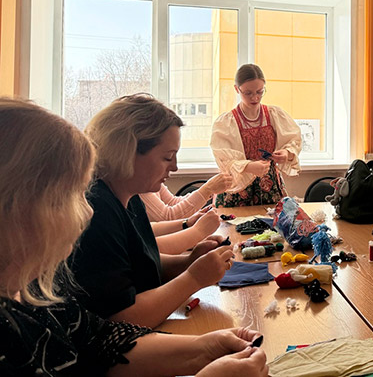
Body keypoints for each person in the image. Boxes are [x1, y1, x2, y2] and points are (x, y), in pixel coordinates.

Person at [0, 98, 268, 376]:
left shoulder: (36, 295)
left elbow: (102, 341)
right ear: (15, 208)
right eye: (69, 196)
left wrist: (205, 348)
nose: (88, 210)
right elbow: (120, 317)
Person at [70, 94, 234, 328]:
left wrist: (189, 261)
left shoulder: (130, 197)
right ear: (127, 152)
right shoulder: (96, 211)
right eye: (167, 157)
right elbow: (123, 318)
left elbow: (139, 265)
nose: (174, 167)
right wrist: (193, 278)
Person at [211, 64, 301, 207]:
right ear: (237, 89)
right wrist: (248, 166)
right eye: (248, 93)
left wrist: (286, 153)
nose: (255, 97)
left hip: (270, 188)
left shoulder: (274, 115)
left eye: (260, 91)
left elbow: (293, 139)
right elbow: (224, 160)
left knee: (272, 220)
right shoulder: (226, 123)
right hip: (237, 190)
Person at [140, 174, 233, 221]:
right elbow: (168, 218)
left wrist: (209, 190)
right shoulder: (139, 183)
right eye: (168, 157)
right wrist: (207, 189)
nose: (174, 167)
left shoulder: (149, 176)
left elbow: (172, 202)